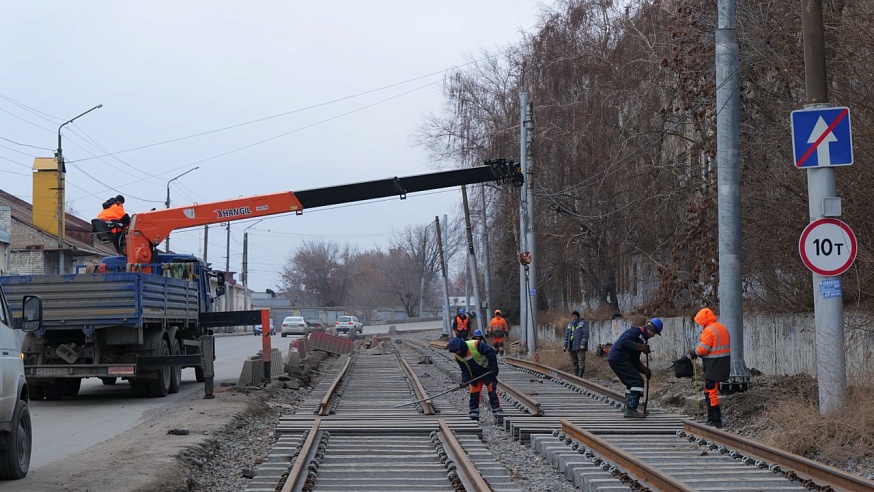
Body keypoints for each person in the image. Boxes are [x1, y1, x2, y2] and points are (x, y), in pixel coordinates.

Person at [607, 318, 663, 418]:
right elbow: (624, 341)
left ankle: (628, 407)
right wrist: (640, 347)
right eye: (654, 333)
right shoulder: (636, 331)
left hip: (620, 359)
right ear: (651, 329)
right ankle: (630, 409)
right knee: (637, 382)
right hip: (619, 358)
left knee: (631, 383)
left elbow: (634, 359)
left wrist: (643, 369)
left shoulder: (642, 339)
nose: (654, 335)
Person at [689, 308, 731, 428]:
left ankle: (714, 418)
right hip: (723, 364)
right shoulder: (721, 328)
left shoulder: (709, 331)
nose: (699, 324)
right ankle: (714, 418)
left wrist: (694, 352)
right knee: (712, 389)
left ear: (703, 320)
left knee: (710, 391)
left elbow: (702, 349)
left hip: (713, 365)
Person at [447, 337, 502, 420]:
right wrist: (464, 381)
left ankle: (497, 411)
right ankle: (474, 412)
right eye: (455, 351)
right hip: (475, 374)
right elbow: (464, 370)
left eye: (457, 350)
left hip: (487, 370)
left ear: (461, 346)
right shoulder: (458, 356)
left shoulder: (476, 345)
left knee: (492, 390)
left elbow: (491, 352)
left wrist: (493, 367)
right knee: (474, 393)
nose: (456, 352)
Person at [563, 311, 589, 377]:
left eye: (575, 316)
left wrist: (583, 344)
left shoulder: (583, 324)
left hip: (580, 346)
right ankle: (576, 375)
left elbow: (585, 334)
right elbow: (567, 336)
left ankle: (580, 376)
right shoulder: (570, 325)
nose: (574, 318)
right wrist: (565, 345)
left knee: (581, 361)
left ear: (578, 317)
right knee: (574, 361)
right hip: (571, 346)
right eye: (573, 316)